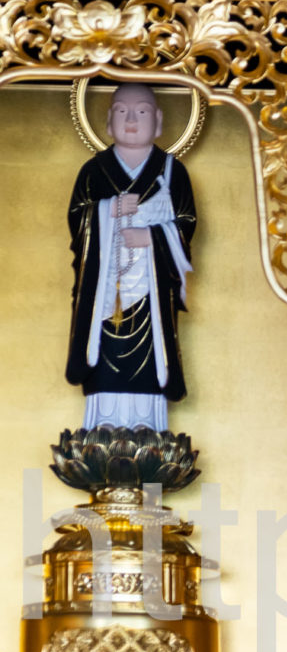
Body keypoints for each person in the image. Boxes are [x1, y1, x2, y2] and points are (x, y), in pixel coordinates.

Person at [66, 84, 196, 431]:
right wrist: (108, 210)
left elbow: (186, 223)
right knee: (103, 352)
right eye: (122, 111)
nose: (132, 120)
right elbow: (77, 219)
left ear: (159, 121)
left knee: (151, 356)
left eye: (142, 111)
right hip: (105, 292)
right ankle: (102, 426)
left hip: (151, 294)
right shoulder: (94, 171)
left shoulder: (172, 171)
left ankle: (149, 428)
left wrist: (152, 237)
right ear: (108, 121)